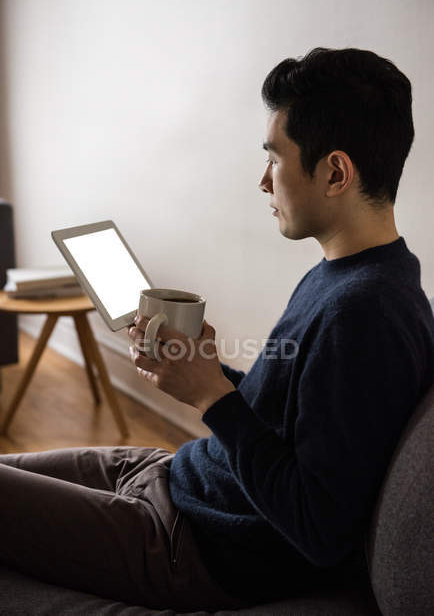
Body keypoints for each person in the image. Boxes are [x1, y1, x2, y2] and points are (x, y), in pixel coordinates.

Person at [1, 47, 433, 612]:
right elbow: (287, 416)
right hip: (175, 476)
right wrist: (205, 371)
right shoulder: (353, 276)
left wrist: (210, 395)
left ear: (334, 172)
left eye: (274, 159)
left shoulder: (365, 313)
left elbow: (319, 528)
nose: (263, 181)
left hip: (187, 543)